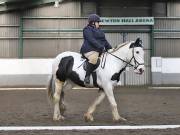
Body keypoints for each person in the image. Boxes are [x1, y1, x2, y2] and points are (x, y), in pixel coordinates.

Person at [80, 14, 112, 85]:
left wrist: (110, 48)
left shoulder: (100, 31)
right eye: (98, 22)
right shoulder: (87, 29)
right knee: (94, 58)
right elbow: (91, 40)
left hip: (98, 50)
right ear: (93, 22)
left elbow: (104, 41)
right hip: (89, 50)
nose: (99, 24)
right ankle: (87, 76)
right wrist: (101, 47)